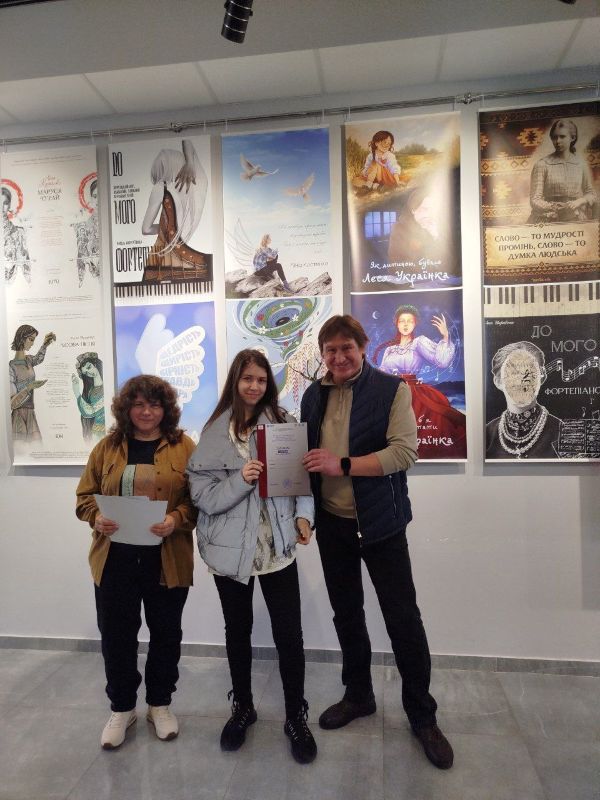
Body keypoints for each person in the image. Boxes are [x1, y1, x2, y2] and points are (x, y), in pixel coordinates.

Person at [301, 315, 454, 770]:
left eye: (346, 348)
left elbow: (404, 453)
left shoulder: (391, 389)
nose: (339, 357)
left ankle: (423, 716)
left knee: (402, 618)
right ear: (323, 354)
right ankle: (359, 695)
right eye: (330, 350)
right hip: (333, 524)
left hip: (382, 523)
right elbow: (305, 458)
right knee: (346, 613)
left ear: (363, 347)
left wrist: (343, 464)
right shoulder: (312, 395)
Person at [186, 349, 317, 764]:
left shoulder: (282, 424)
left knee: (289, 636)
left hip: (277, 549)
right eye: (247, 379)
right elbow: (203, 497)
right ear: (235, 381)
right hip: (229, 552)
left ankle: (296, 716)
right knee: (237, 632)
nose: (254, 386)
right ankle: (243, 707)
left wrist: (304, 517)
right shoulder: (213, 433)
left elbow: (301, 480)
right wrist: (242, 480)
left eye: (261, 379)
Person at [75, 375, 197, 750]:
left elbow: (199, 501)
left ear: (166, 409)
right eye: (139, 404)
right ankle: (122, 708)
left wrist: (176, 519)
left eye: (154, 405)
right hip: (115, 561)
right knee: (117, 637)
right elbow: (84, 497)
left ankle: (160, 705)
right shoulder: (107, 447)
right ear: (126, 408)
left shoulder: (184, 447)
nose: (146, 412)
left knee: (166, 635)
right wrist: (96, 517)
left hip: (167, 560)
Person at [374, 304, 466, 458]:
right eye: (402, 321)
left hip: (414, 392)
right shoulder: (390, 349)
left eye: (410, 321)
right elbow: (383, 371)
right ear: (396, 323)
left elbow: (442, 362)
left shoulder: (419, 342)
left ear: (415, 323)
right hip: (392, 391)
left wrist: (445, 337)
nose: (405, 324)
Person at [141, 139, 212, 282]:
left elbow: (146, 229)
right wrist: (189, 163)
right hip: (187, 260)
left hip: (160, 260)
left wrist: (165, 229)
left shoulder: (161, 187)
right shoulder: (196, 187)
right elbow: (188, 141)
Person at [486, 341, 562, 459]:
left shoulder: (561, 432)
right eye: (513, 373)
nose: (522, 380)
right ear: (498, 381)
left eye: (530, 371)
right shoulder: (487, 434)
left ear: (542, 377)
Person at [528, 118, 597, 223]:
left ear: (572, 138)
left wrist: (580, 201)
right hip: (548, 217)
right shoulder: (542, 164)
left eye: (562, 136)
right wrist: (556, 208)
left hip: (575, 216)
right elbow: (535, 199)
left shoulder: (580, 164)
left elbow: (591, 194)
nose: (558, 141)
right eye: (554, 137)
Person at [9, 325, 56, 442]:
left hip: (31, 412)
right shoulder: (11, 366)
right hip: (18, 416)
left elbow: (39, 358)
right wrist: (29, 387)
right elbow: (12, 404)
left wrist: (45, 344)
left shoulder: (29, 360)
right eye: (31, 339)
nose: (32, 343)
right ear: (22, 339)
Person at [71, 352, 105, 442]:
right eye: (86, 373)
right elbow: (89, 412)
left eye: (89, 367)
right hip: (97, 434)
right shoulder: (90, 391)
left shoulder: (108, 385)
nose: (89, 373)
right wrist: (76, 392)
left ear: (95, 364)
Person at [3, 186, 32, 285]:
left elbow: (25, 265)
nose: (1, 207)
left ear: (9, 205)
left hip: (12, 283)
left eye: (5, 203)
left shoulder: (18, 232)